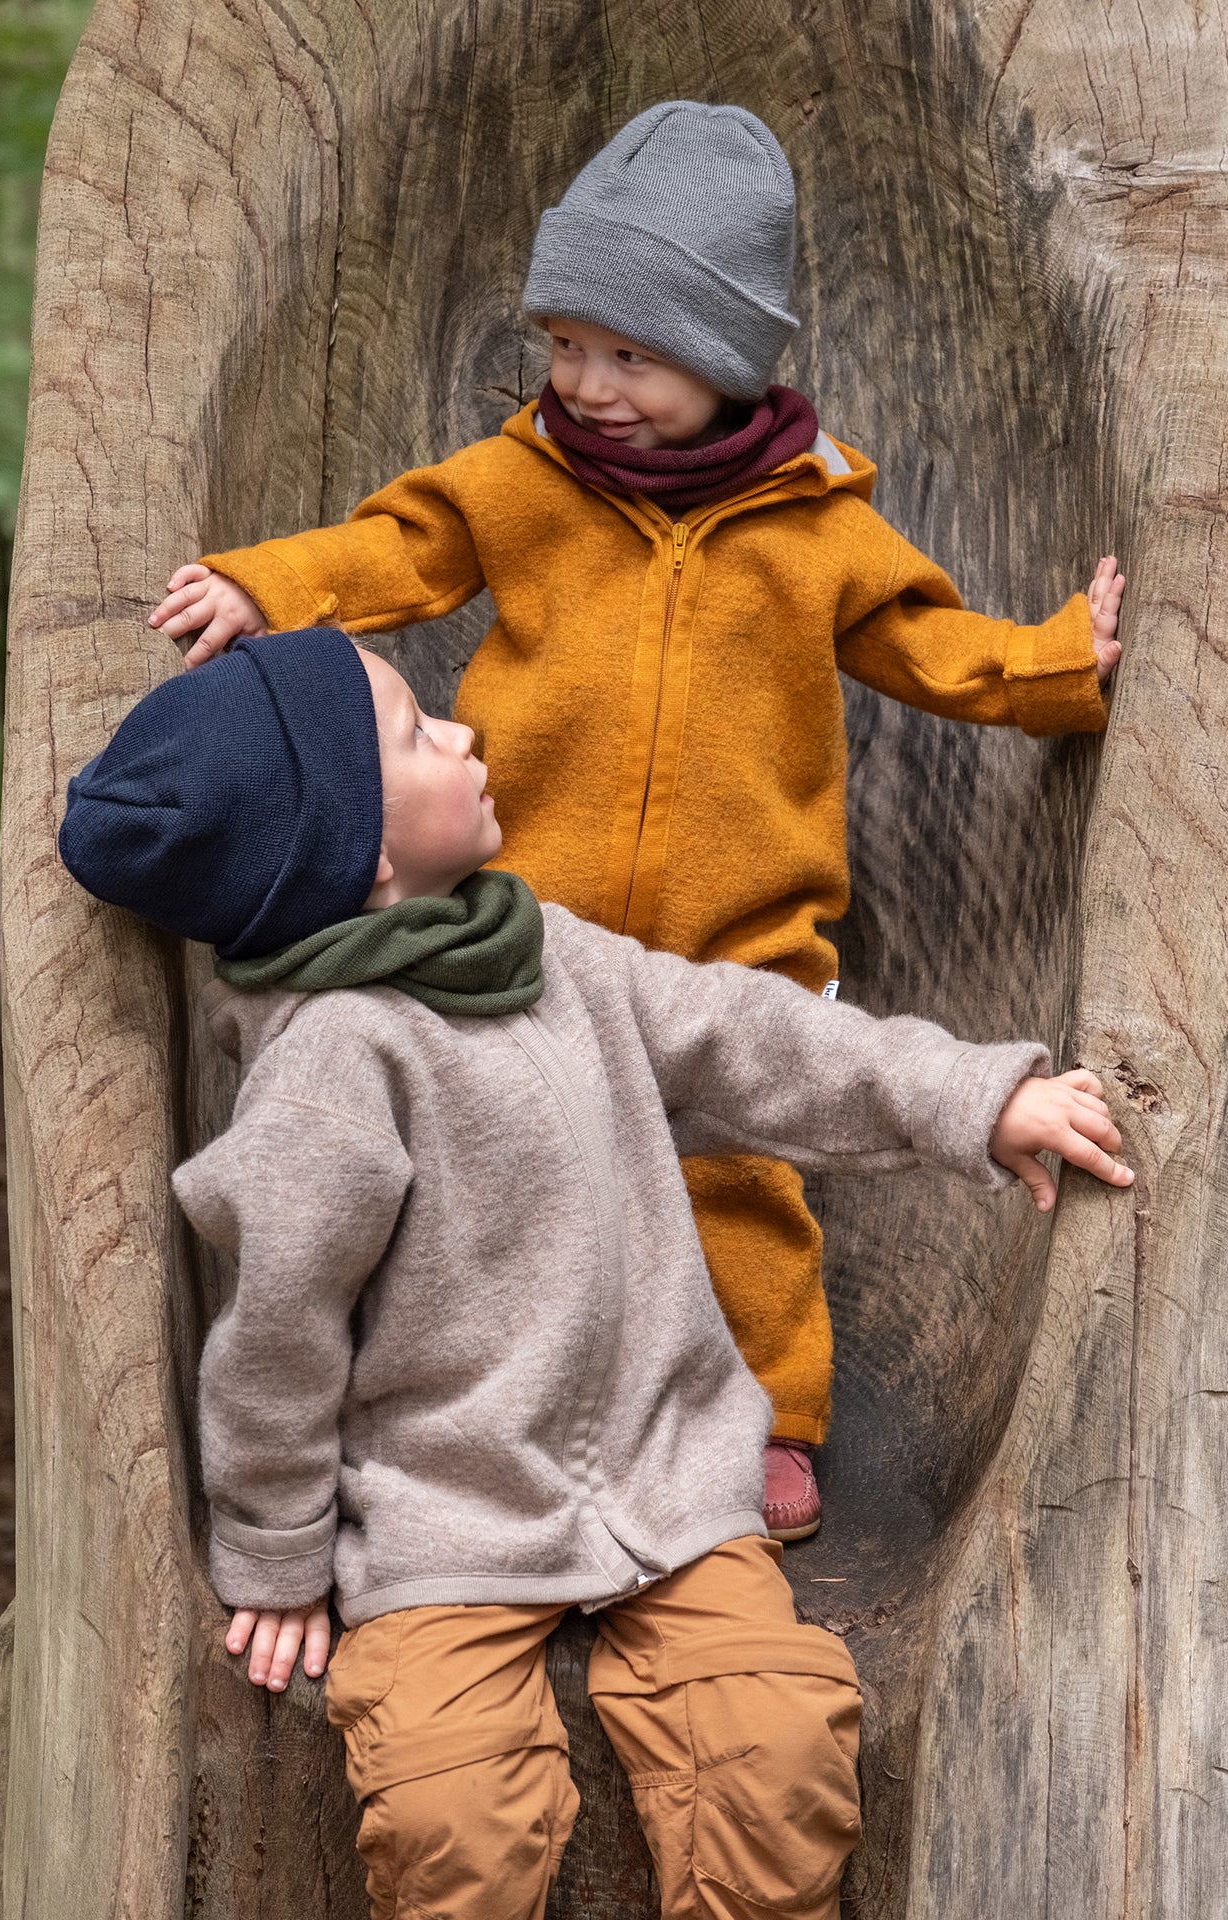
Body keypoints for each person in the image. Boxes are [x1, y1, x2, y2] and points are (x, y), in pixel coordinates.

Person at [144, 100, 1126, 1541]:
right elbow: (392, 551)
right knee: (515, 1178)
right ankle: (522, 1422)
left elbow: (928, 644)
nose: (589, 385)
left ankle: (776, 1420)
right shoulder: (518, 483)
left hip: (743, 927)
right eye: (566, 346)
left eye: (633, 356)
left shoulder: (815, 527)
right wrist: (265, 587)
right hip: (528, 926)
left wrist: (1055, 668)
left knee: (739, 1175)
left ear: (726, 360)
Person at [59, 626, 1133, 1920]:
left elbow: (755, 1040)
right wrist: (278, 1554)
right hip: (443, 1516)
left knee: (777, 1758)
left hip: (669, 1482)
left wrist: (972, 1096)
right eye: (417, 734)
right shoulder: (332, 1067)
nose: (462, 736)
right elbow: (278, 1340)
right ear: (368, 855)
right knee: (457, 1815)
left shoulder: (552, 955)